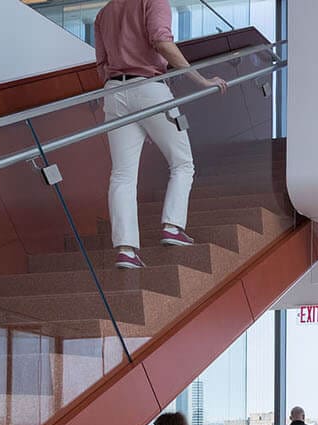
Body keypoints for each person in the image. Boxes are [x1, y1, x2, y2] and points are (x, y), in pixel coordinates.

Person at [94, 0, 227, 271]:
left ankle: (126, 250)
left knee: (122, 175)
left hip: (113, 93)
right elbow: (161, 41)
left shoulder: (104, 13)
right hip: (150, 89)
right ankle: (172, 226)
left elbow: (102, 63)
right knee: (183, 163)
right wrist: (202, 81)